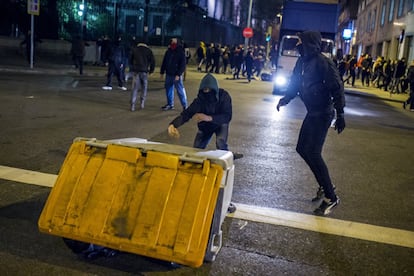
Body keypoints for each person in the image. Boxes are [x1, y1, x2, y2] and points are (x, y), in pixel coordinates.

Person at [276, 31, 345, 216]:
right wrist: (286, 99)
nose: (297, 44)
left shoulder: (323, 62)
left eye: (300, 41)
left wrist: (340, 114)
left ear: (309, 43)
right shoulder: (302, 62)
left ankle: (331, 196)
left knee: (313, 152)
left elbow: (337, 87)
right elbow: (295, 84)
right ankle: (324, 185)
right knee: (302, 148)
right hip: (312, 112)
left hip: (323, 113)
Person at [167, 73, 243, 160]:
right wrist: (173, 124)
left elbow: (227, 116)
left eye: (209, 89)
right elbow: (186, 114)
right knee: (196, 150)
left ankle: (228, 156)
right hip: (205, 127)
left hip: (220, 124)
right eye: (204, 90)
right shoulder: (200, 100)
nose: (207, 92)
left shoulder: (224, 96)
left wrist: (209, 118)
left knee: (220, 142)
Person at [160, 38, 188, 111]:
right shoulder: (168, 51)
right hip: (169, 74)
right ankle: (170, 104)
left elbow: (182, 65)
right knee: (169, 89)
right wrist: (162, 72)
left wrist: (178, 74)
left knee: (180, 90)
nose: (172, 41)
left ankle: (185, 105)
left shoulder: (180, 52)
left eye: (173, 41)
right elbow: (164, 62)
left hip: (176, 75)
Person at [129, 41, 155, 111]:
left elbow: (130, 60)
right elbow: (153, 61)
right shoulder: (148, 50)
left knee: (135, 88)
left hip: (136, 71)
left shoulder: (134, 49)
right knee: (144, 87)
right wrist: (151, 70)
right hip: (144, 71)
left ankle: (132, 104)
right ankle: (142, 103)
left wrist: (132, 68)